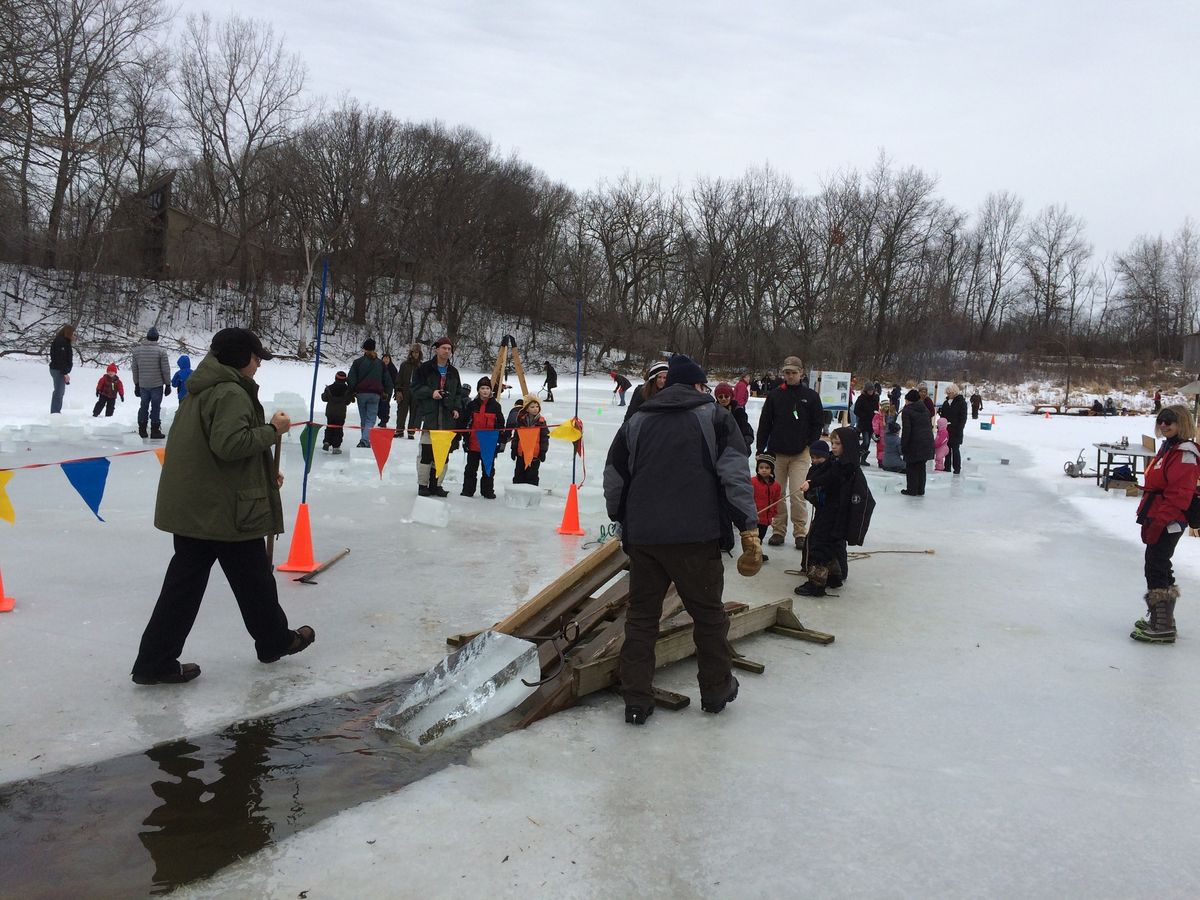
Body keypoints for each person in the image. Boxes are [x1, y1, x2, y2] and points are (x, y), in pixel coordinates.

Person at [130, 328, 315, 685]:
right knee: (253, 581)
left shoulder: (202, 389)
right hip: (222, 511)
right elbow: (230, 445)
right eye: (256, 356)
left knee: (186, 588)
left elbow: (213, 455)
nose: (259, 363)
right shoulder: (230, 392)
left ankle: (155, 661)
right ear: (241, 357)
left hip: (199, 506)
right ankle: (274, 641)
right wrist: (273, 431)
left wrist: (262, 476)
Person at [603, 353, 760, 725]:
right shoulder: (716, 418)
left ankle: (636, 699)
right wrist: (748, 526)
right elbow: (735, 475)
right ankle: (716, 690)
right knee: (708, 616)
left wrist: (621, 517)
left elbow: (614, 476)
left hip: (645, 537)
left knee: (641, 619)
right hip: (696, 536)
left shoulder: (637, 420)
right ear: (697, 385)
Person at [1131, 405, 1199, 643]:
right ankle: (1162, 619)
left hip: (1169, 517)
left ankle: (1162, 626)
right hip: (1159, 512)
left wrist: (1161, 520)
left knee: (1156, 565)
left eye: (1169, 421)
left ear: (1182, 422)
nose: (1163, 424)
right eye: (1161, 420)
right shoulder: (1170, 447)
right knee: (1158, 563)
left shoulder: (1185, 453)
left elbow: (1179, 493)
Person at [756, 356, 824, 550]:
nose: (790, 376)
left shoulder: (810, 396)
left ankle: (800, 532)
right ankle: (778, 530)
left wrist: (810, 445)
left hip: (800, 453)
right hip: (777, 452)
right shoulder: (775, 395)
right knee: (777, 493)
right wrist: (761, 449)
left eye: (794, 372)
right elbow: (764, 423)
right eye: (787, 372)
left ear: (801, 372)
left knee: (797, 493)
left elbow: (817, 422)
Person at [795, 430, 859, 596]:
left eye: (838, 444)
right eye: (833, 444)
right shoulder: (840, 461)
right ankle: (833, 576)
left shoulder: (845, 466)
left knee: (819, 544)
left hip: (833, 513)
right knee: (829, 544)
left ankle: (816, 584)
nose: (834, 447)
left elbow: (830, 477)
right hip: (831, 511)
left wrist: (812, 482)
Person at [411, 337, 462, 496]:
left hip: (447, 420)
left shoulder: (453, 372)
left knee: (443, 455)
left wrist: (456, 407)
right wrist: (431, 392)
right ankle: (423, 485)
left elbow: (459, 393)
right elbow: (414, 389)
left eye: (449, 349)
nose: (447, 351)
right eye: (444, 348)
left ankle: (436, 485)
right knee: (426, 454)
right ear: (436, 349)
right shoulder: (424, 368)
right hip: (429, 417)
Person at [462, 377, 504, 498]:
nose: (485, 391)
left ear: (490, 391)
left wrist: (500, 441)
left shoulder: (496, 406)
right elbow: (465, 422)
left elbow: (501, 424)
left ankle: (487, 491)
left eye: (487, 388)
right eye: (482, 388)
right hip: (473, 442)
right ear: (478, 390)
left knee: (488, 470)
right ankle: (468, 491)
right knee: (470, 469)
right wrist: (465, 438)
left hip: (489, 444)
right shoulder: (471, 405)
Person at [347, 339, 392, 448]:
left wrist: (352, 391)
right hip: (375, 394)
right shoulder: (380, 364)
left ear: (364, 348)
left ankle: (364, 440)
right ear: (374, 348)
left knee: (364, 418)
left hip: (361, 394)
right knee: (371, 419)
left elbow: (351, 378)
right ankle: (365, 440)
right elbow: (388, 380)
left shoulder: (357, 362)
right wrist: (387, 394)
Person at [132, 326, 171, 439]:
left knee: (143, 406)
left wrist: (136, 384)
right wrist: (167, 384)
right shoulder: (161, 352)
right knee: (156, 407)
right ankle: (155, 431)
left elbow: (135, 369)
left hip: (143, 385)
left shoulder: (137, 351)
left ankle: (142, 430)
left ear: (147, 337)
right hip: (157, 385)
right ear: (157, 338)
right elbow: (165, 369)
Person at [900, 389, 934, 496]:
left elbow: (907, 430)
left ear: (909, 400)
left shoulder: (907, 411)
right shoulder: (925, 409)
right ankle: (920, 489)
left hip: (914, 442)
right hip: (927, 441)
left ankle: (912, 489)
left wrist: (904, 445)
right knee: (921, 466)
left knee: (911, 466)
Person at [510, 396, 549, 485]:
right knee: (518, 475)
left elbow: (544, 438)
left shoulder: (541, 422)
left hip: (534, 455)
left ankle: (531, 495)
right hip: (521, 453)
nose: (535, 409)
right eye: (532, 407)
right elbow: (516, 436)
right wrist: (514, 449)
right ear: (527, 409)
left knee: (532, 476)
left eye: (537, 406)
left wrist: (543, 451)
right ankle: (518, 494)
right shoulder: (521, 421)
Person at [752, 453, 781, 563]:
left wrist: (773, 513)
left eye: (767, 468)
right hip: (755, 516)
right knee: (754, 537)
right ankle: (754, 554)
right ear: (757, 469)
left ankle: (757, 553)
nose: (764, 470)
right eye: (761, 467)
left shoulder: (776, 486)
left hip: (765, 518)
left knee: (761, 536)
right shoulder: (753, 482)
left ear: (772, 469)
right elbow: (749, 498)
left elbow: (775, 500)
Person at [714, 382, 753, 451]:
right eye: (720, 396)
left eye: (726, 396)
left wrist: (746, 439)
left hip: (735, 447)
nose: (723, 399)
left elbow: (744, 426)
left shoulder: (738, 411)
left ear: (731, 396)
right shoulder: (713, 411)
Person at [395, 343, 422, 439]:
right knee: (402, 411)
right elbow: (399, 378)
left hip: (416, 391)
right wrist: (398, 390)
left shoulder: (421, 366)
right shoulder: (404, 365)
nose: (415, 354)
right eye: (414, 352)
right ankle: (399, 430)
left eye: (417, 353)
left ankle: (411, 431)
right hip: (405, 389)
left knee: (414, 412)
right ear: (411, 353)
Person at [321, 371, 353, 454]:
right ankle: (336, 447)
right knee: (338, 429)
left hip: (330, 412)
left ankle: (327, 442)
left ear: (335, 378)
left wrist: (324, 393)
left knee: (329, 427)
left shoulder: (329, 388)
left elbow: (324, 398)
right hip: (340, 413)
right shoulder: (347, 389)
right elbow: (347, 402)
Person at [943, 383, 968, 474]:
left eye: (949, 393)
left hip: (956, 430)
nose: (948, 395)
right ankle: (947, 467)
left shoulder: (961, 402)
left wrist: (959, 428)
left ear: (954, 392)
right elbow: (943, 416)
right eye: (947, 393)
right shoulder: (946, 403)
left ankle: (957, 468)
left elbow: (963, 417)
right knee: (947, 449)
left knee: (955, 449)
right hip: (946, 430)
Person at [49, 324, 75, 413]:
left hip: (59, 369)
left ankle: (56, 411)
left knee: (60, 391)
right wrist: (64, 373)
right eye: (72, 333)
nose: (73, 335)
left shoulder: (63, 341)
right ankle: (55, 412)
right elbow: (60, 358)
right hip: (58, 369)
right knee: (58, 392)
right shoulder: (61, 342)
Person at [853, 382, 879, 465]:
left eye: (872, 390)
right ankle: (855, 455)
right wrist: (864, 415)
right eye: (869, 390)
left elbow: (876, 408)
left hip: (872, 423)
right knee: (866, 441)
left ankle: (863, 459)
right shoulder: (861, 398)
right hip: (864, 423)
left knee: (867, 443)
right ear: (866, 390)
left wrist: (876, 414)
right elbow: (856, 410)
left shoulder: (875, 397)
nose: (871, 392)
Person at [378, 352, 398, 428]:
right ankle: (381, 418)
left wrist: (396, 390)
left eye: (387, 358)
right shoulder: (379, 367)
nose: (386, 360)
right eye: (384, 358)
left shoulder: (392, 368)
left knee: (385, 405)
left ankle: (384, 420)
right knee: (379, 405)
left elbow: (396, 380)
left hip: (388, 390)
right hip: (379, 389)